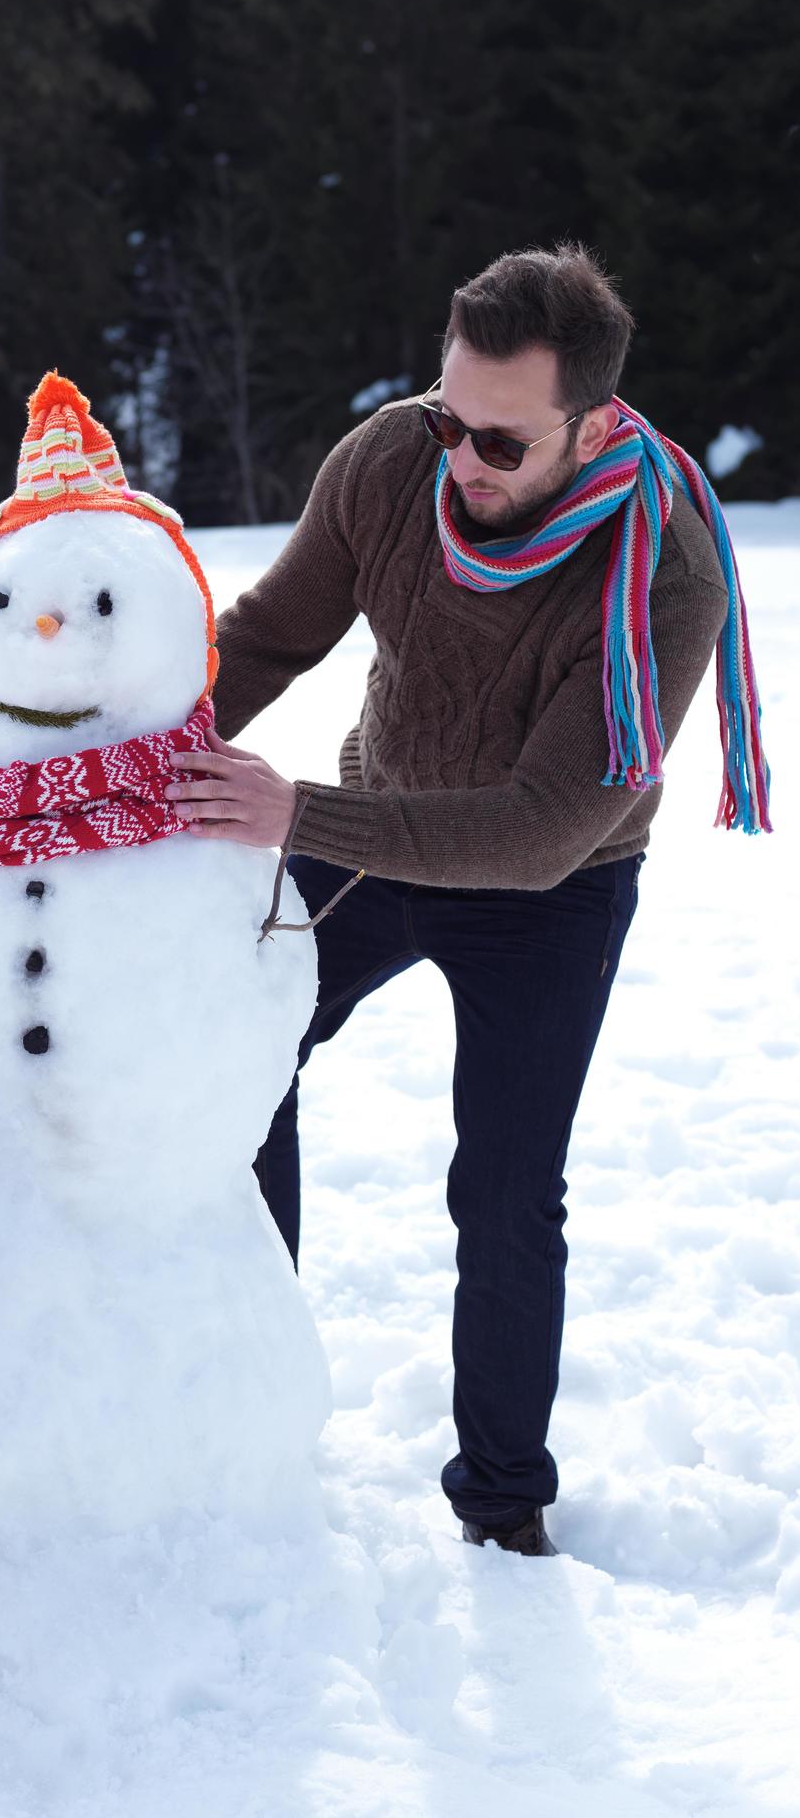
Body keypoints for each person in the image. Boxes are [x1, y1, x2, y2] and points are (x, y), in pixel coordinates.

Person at [164, 243, 770, 1557]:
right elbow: (269, 634)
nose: (461, 461)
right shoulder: (391, 461)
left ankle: (501, 1505)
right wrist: (116, 772)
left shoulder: (663, 580)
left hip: (550, 893)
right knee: (234, 1058)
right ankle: (251, 1403)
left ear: (594, 424)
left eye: (497, 442)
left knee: (503, 1193)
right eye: (447, 418)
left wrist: (293, 814)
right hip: (373, 835)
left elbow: (544, 829)